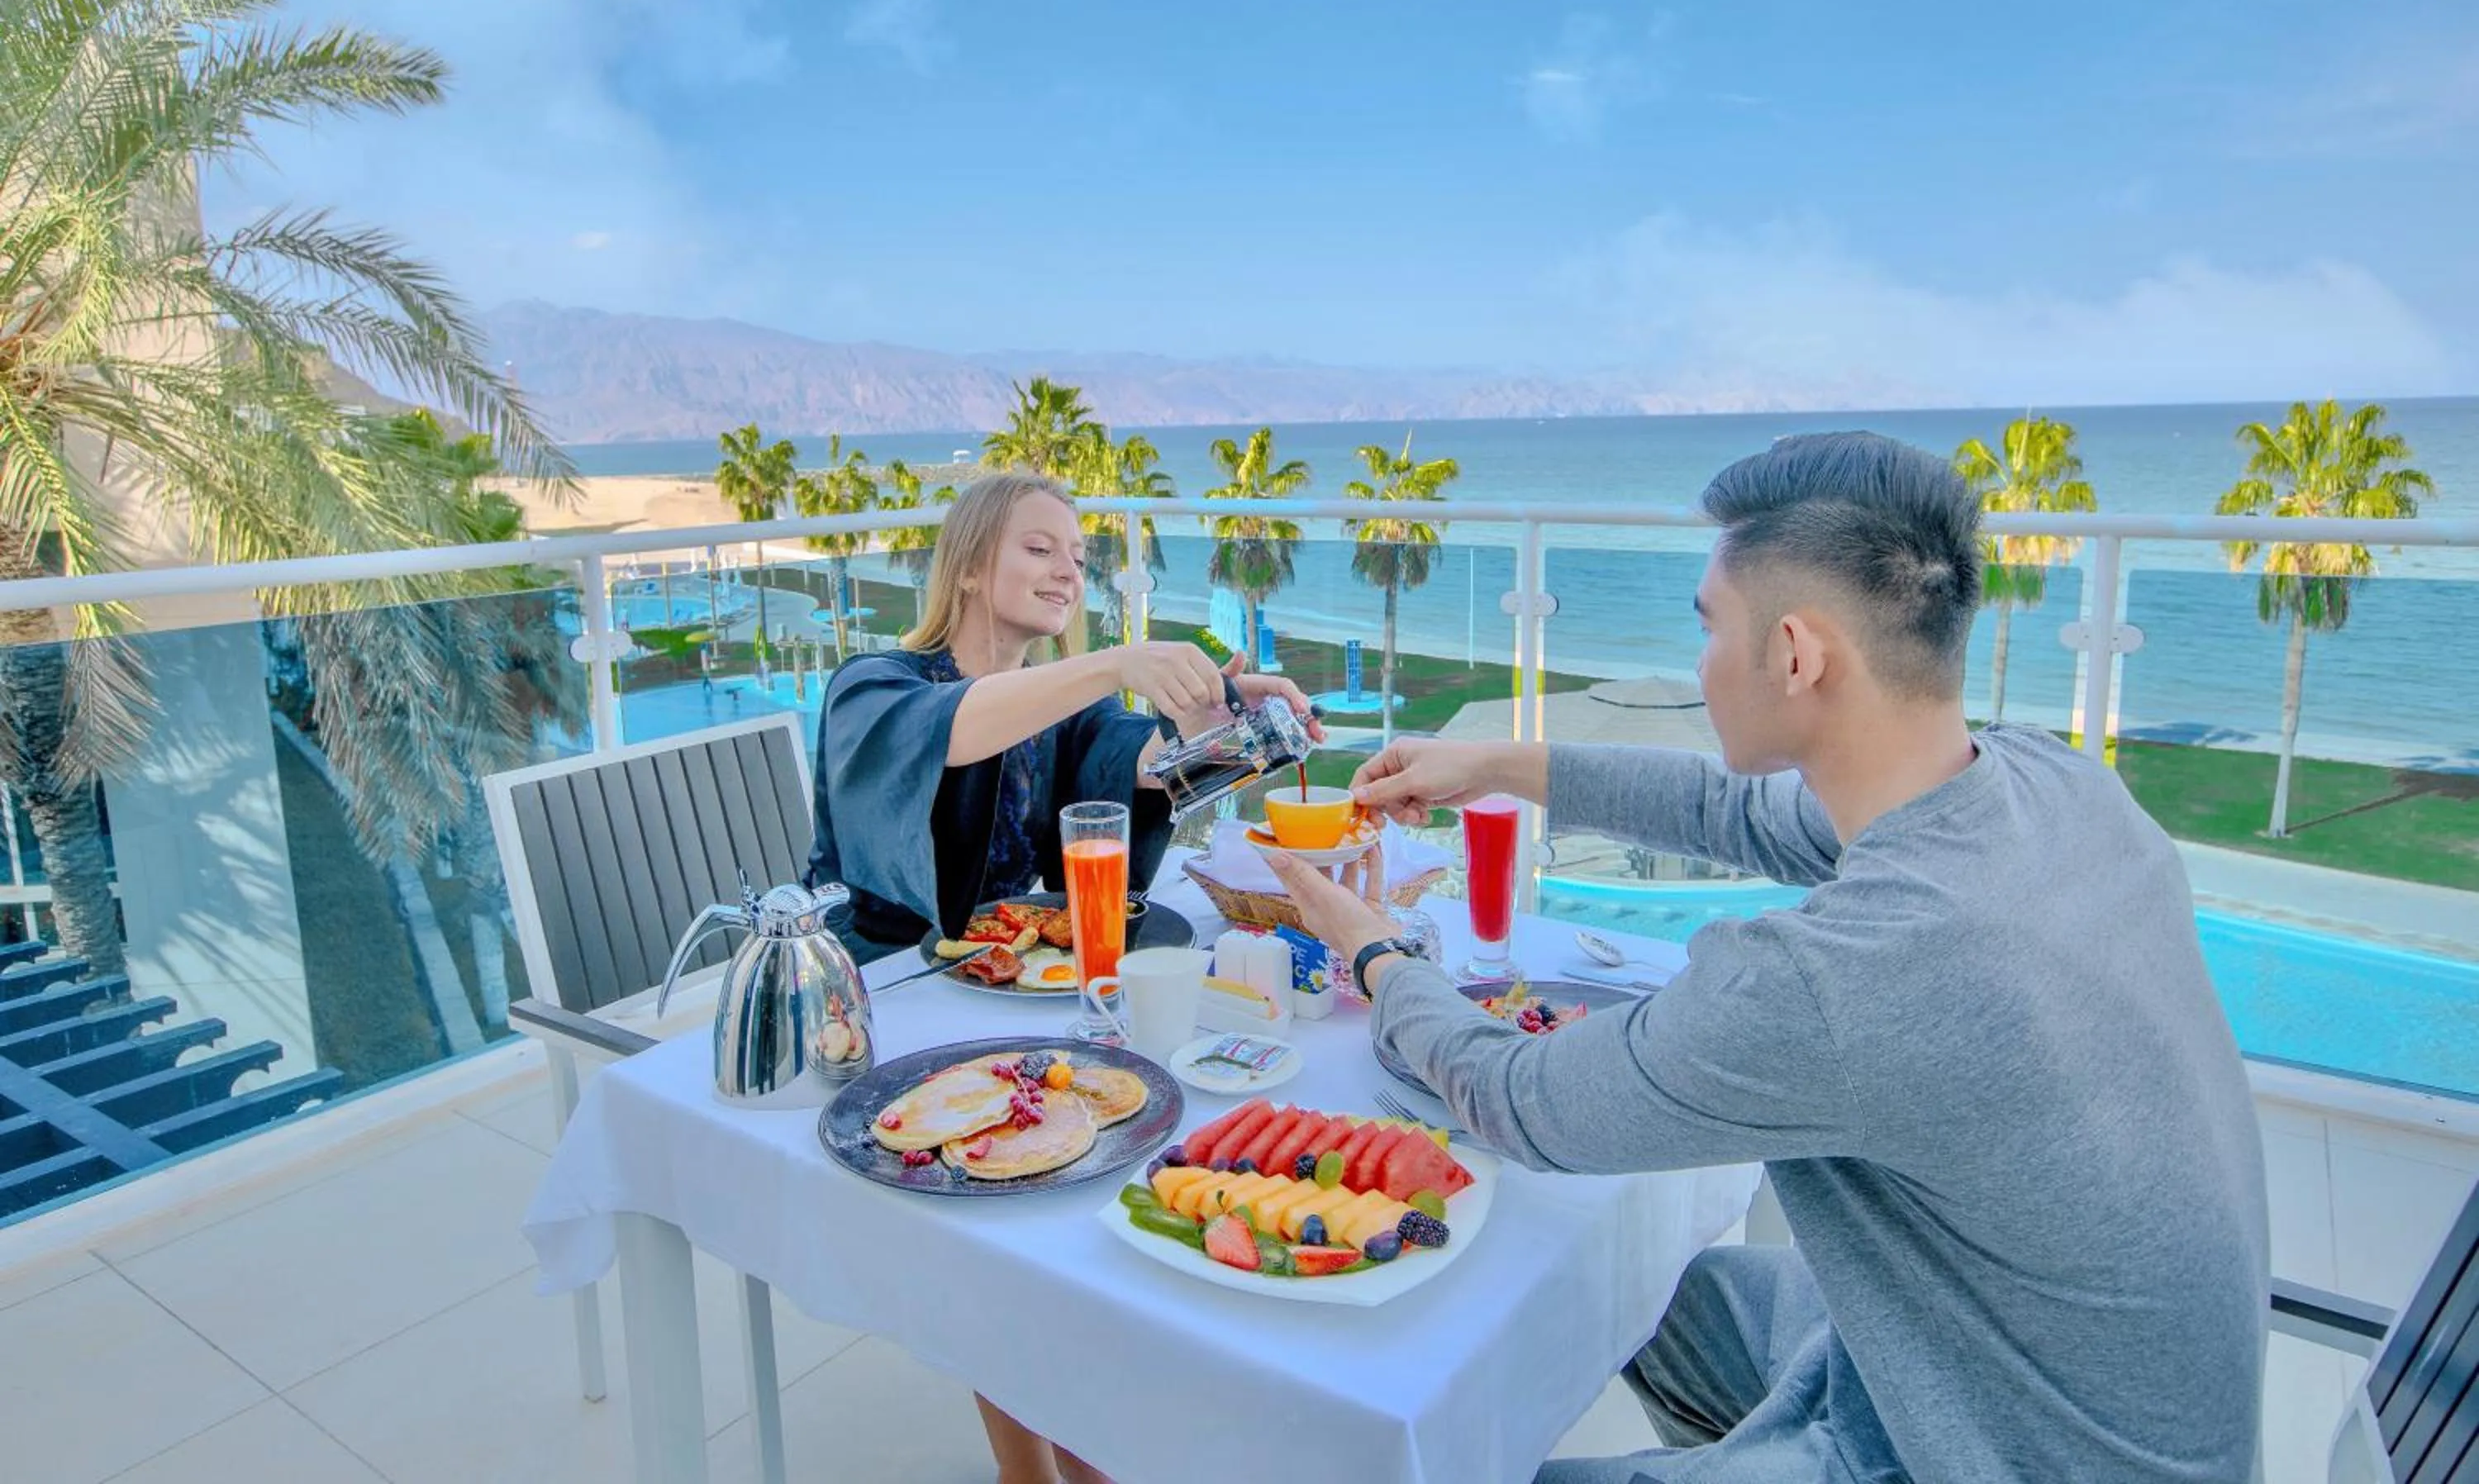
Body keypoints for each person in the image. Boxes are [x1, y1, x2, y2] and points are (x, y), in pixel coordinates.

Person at [1267, 432, 2269, 1483]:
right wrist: (1493, 764)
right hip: (2000, 1379)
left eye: (1709, 626)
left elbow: (1523, 1099)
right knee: (1621, 1289)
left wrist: (1371, 947)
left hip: (1999, 1456)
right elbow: (1730, 809)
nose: (1699, 659)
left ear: (1796, 653)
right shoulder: (2052, 781)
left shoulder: (1846, 973)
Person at [806, 469, 1317, 1484]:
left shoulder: (1058, 711)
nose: (1067, 570)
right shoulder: (873, 687)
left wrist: (1235, 721)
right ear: (969, 563)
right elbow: (954, 725)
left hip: (1002, 999)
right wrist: (1117, 661)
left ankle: (1078, 1452)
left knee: (1094, 1158)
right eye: (1040, 548)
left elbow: (1147, 767)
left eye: (1079, 557)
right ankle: (1044, 1465)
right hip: (883, 1005)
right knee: (1023, 1211)